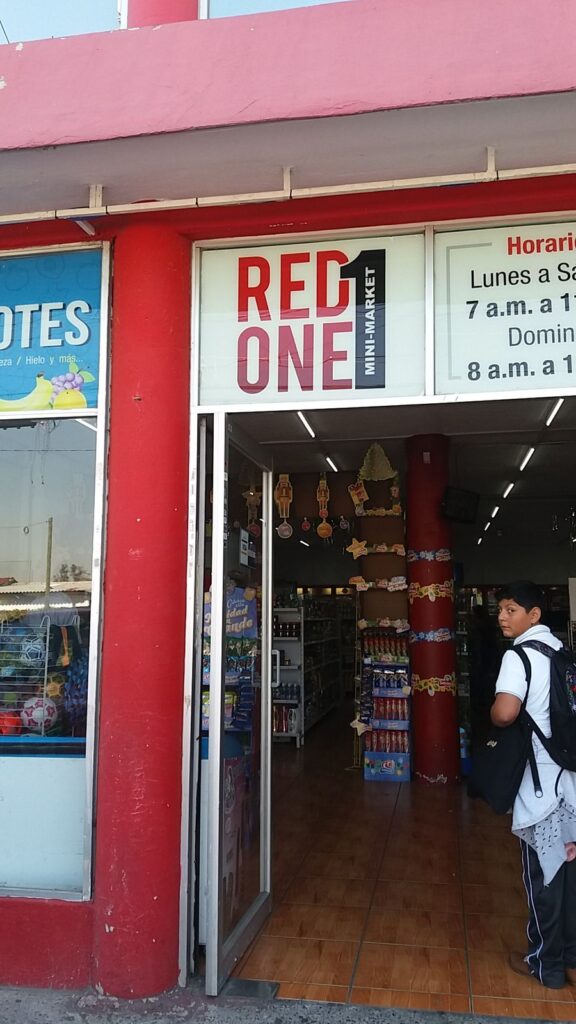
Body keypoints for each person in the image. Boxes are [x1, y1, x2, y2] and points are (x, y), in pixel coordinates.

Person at [491, 580, 576, 989]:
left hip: (538, 781)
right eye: (501, 610)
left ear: (534, 614)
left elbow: (506, 712)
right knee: (568, 867)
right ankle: (570, 952)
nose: (502, 617)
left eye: (511, 610)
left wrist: (493, 712)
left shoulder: (519, 655)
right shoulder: (561, 651)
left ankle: (546, 964)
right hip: (568, 777)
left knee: (542, 873)